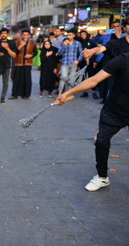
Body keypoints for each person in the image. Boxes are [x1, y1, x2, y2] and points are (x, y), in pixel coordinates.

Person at [55, 53, 129, 191]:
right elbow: (93, 80)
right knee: (101, 141)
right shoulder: (122, 60)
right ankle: (102, 177)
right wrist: (67, 93)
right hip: (115, 110)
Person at [10, 30, 36, 99]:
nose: (25, 36)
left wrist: (31, 55)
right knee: (17, 79)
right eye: (24, 35)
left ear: (29, 35)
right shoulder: (17, 42)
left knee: (27, 80)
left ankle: (25, 95)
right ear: (22, 35)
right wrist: (21, 45)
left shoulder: (33, 42)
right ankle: (15, 95)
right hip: (18, 63)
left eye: (27, 35)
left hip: (27, 63)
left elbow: (35, 52)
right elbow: (14, 52)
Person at [57, 30, 83, 95]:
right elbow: (59, 53)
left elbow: (81, 53)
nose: (69, 36)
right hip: (65, 63)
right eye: (68, 35)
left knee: (71, 79)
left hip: (73, 63)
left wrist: (78, 60)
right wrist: (64, 45)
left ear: (74, 36)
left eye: (70, 35)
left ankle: (68, 94)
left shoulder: (77, 43)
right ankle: (60, 93)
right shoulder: (64, 43)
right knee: (63, 77)